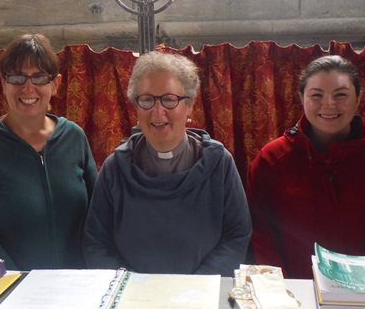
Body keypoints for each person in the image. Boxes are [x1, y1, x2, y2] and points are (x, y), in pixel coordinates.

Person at [246, 55, 365, 280]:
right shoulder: (272, 161)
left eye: (341, 95)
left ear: (358, 98)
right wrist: (282, 291)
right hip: (294, 295)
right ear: (301, 98)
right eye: (316, 95)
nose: (329, 104)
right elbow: (260, 236)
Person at [82, 51, 252, 276]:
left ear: (190, 105)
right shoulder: (115, 168)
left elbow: (237, 236)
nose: (157, 111)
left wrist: (196, 287)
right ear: (136, 105)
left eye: (169, 100)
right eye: (147, 99)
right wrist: (131, 286)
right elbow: (96, 242)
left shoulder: (218, 164)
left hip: (202, 296)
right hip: (132, 300)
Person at [0, 34, 97, 271]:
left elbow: (97, 216)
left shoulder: (74, 136)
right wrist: (15, 282)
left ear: (56, 84)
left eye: (40, 77)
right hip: (11, 290)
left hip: (77, 285)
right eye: (17, 77)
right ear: (3, 83)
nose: (28, 87)